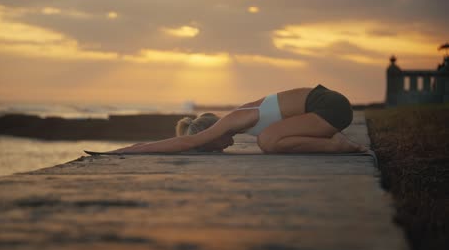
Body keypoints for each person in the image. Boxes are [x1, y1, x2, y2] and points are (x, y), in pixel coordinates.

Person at [106, 84, 367, 154]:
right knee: (271, 138)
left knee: (268, 141)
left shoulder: (233, 119)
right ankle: (334, 139)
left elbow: (185, 143)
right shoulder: (240, 118)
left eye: (209, 146)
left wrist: (132, 149)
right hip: (325, 110)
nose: (218, 149)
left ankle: (339, 145)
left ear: (212, 132)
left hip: (329, 106)